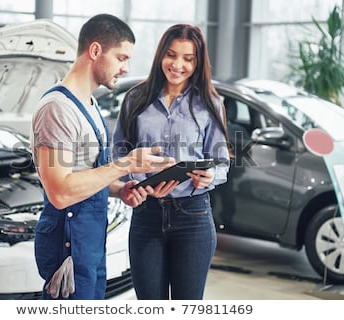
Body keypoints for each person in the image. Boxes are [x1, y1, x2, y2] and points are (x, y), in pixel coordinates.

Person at [30, 13, 175, 300]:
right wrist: (127, 164)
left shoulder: (91, 105)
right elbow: (60, 192)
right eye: (121, 58)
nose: (126, 68)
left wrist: (120, 190)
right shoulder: (57, 109)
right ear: (95, 51)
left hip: (91, 243)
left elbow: (84, 173)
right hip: (67, 247)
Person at [112, 24, 230, 300]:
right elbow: (119, 156)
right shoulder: (135, 99)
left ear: (197, 63)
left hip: (193, 217)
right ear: (160, 56)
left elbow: (221, 161)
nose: (177, 65)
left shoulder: (210, 103)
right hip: (146, 215)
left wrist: (210, 177)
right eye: (171, 55)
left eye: (188, 59)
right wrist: (138, 184)